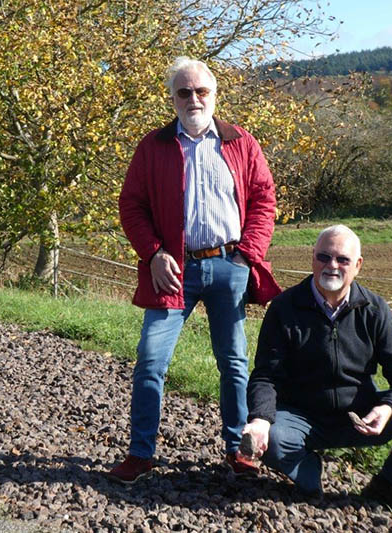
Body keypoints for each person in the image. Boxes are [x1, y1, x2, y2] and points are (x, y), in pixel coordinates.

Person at [109, 56, 281, 484]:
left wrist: (249, 253)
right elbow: (131, 206)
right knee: (151, 360)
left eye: (201, 91)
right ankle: (141, 454)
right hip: (173, 272)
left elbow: (264, 200)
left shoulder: (241, 141)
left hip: (230, 266)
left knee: (235, 362)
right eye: (184, 92)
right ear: (172, 98)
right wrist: (153, 254)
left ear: (214, 95)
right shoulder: (153, 146)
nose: (193, 99)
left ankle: (237, 448)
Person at [242, 224, 392, 519]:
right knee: (274, 437)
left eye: (342, 260)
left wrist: (388, 408)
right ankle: (310, 473)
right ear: (312, 258)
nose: (332, 266)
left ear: (359, 265)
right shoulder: (284, 308)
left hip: (359, 415)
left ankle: (390, 484)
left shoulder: (375, 309)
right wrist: (261, 419)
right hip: (302, 418)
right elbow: (265, 375)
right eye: (324, 257)